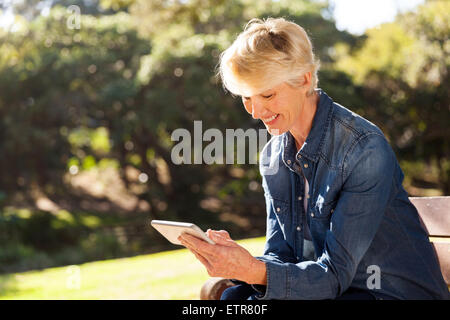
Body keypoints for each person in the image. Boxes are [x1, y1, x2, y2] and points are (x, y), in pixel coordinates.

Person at [178, 17, 449, 300]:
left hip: (384, 292)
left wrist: (252, 270)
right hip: (335, 290)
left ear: (304, 79)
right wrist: (238, 262)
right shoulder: (273, 155)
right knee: (232, 298)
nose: (256, 111)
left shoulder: (363, 148)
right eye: (246, 97)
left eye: (267, 94)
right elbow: (282, 255)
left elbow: (333, 275)